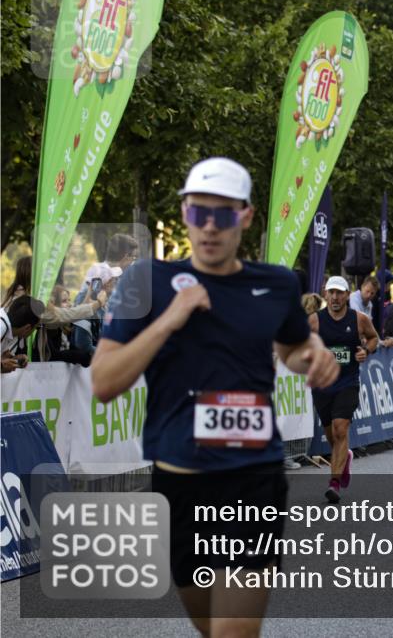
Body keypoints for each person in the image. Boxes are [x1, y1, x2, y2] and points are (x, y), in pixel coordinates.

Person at [91, 157, 338, 637]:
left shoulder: (275, 283)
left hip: (253, 479)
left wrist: (313, 353)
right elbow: (104, 382)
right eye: (197, 212)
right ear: (184, 213)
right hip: (180, 483)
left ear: (245, 216)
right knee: (210, 627)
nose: (209, 226)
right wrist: (170, 319)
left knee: (233, 633)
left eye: (222, 214)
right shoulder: (148, 282)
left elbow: (292, 348)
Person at [313, 275, 380, 503]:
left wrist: (366, 351)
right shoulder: (314, 320)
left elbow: (374, 338)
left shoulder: (359, 319)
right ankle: (345, 458)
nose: (335, 297)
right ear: (325, 293)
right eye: (331, 292)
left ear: (347, 295)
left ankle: (334, 483)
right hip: (322, 384)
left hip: (347, 382)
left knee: (341, 429)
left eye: (339, 293)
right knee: (332, 435)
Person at [1, 296, 43, 373]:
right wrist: (2, 366)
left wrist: (14, 358)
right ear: (27, 328)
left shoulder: (11, 331)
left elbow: (3, 357)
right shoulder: (2, 326)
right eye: (37, 327)